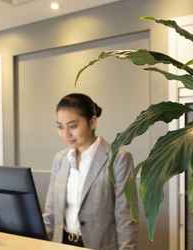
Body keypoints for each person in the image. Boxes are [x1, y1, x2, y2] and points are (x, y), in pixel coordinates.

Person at [43, 93, 138, 249]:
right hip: (61, 244)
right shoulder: (60, 159)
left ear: (92, 122)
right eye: (60, 126)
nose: (66, 134)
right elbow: (50, 214)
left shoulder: (118, 159)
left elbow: (126, 218)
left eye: (73, 126)